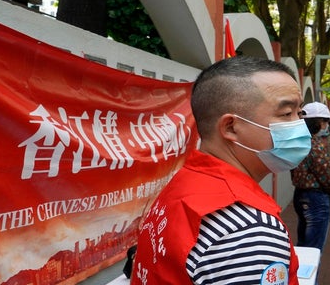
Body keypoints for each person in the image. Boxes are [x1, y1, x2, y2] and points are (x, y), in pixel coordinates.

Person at [131, 56, 311, 285]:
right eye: (286, 114)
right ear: (230, 127)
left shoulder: (186, 183)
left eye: (300, 113)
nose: (299, 125)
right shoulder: (249, 233)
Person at [291, 102, 330, 251]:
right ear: (319, 122)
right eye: (326, 122)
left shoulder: (298, 141)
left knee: (303, 245)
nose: (328, 125)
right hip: (315, 198)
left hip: (300, 195)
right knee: (313, 249)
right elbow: (327, 179)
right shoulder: (314, 144)